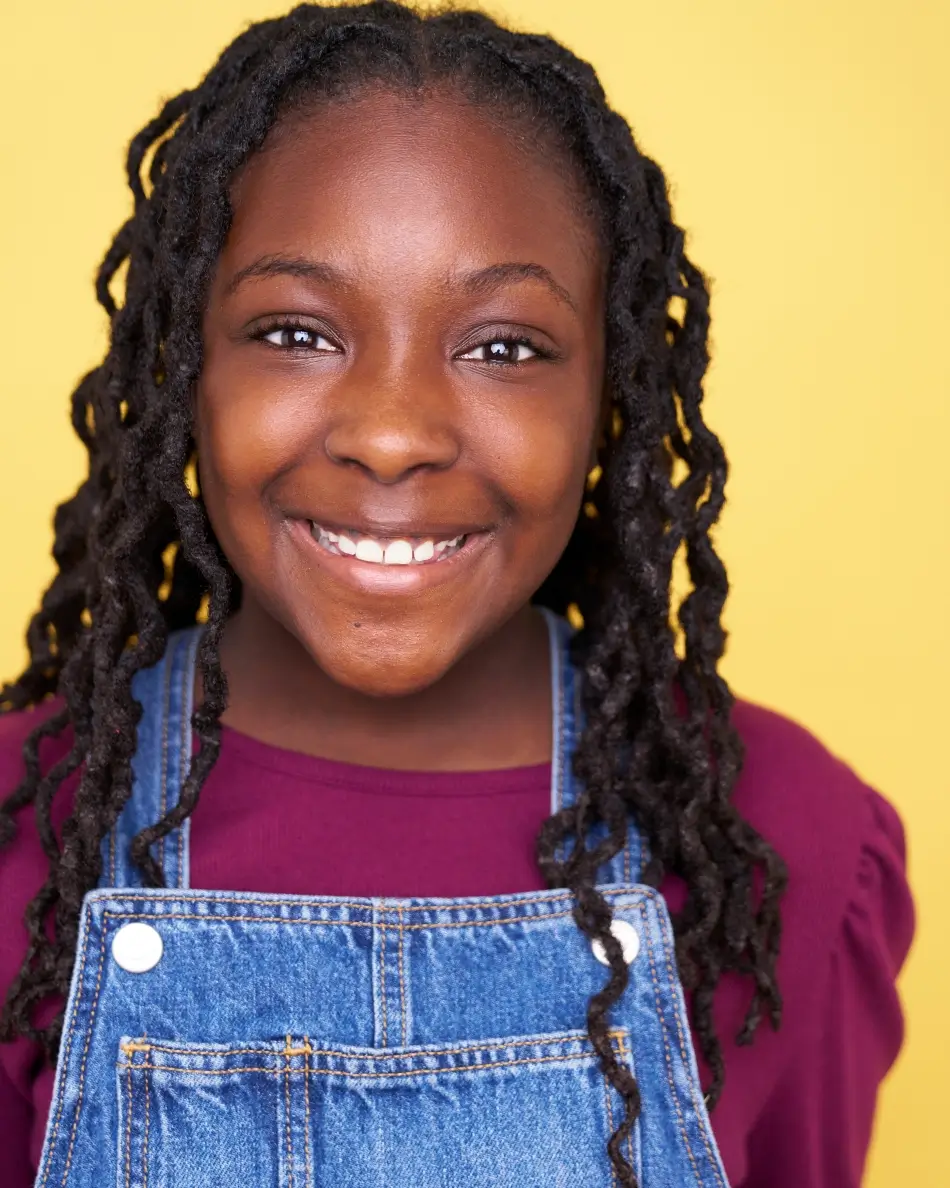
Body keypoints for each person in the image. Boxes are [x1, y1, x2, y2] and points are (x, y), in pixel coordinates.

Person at [0, 2, 914, 1185]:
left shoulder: (783, 847)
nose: (390, 436)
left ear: (611, 404)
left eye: (502, 349)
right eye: (293, 331)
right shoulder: (28, 841)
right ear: (183, 372)